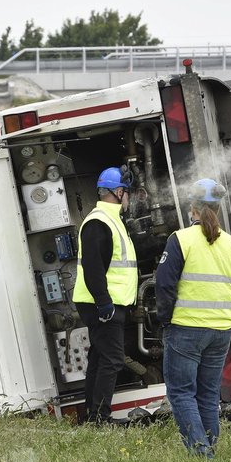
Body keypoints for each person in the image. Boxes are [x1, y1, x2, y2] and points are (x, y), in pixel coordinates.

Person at [155, 178, 231, 457]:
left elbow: (164, 285)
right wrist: (229, 322)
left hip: (185, 329)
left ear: (192, 208)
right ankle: (210, 449)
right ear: (219, 208)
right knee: (208, 395)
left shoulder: (181, 239)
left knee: (182, 393)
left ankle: (202, 455)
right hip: (220, 332)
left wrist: (166, 321)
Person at [72, 166, 138, 425]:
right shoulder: (99, 222)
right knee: (112, 359)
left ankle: (93, 417)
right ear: (118, 191)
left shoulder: (111, 220)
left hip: (107, 302)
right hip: (101, 303)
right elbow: (93, 267)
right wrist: (104, 303)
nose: (128, 198)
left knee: (100, 358)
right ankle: (101, 417)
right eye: (127, 192)